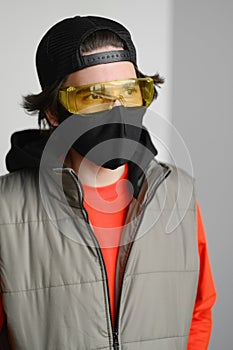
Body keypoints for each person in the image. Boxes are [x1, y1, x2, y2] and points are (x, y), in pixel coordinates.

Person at [0, 15, 216, 349]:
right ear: (54, 112)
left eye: (129, 91)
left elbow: (198, 312)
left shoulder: (178, 194)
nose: (117, 109)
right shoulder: (6, 210)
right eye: (92, 96)